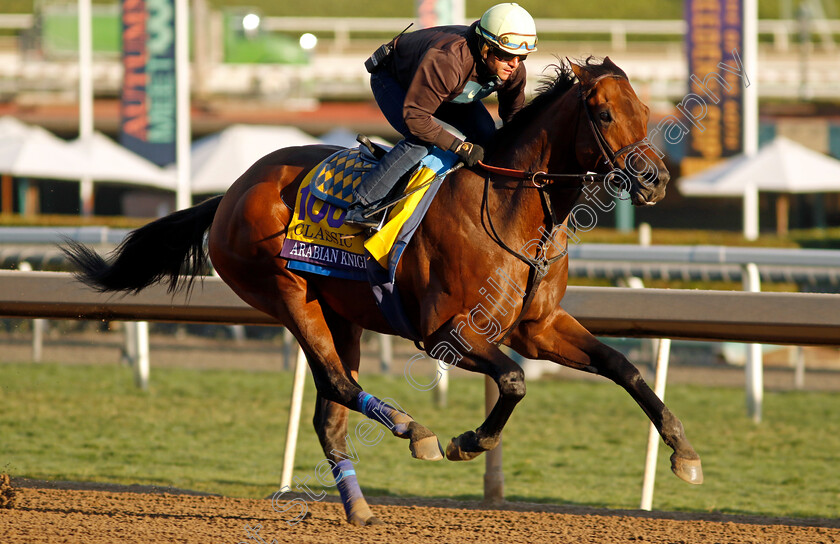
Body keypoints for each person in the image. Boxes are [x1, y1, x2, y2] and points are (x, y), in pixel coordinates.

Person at [344, 3, 538, 227]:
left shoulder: (513, 70)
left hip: (448, 90)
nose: (514, 64)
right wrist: (459, 147)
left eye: (521, 57)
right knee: (421, 140)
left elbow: (514, 120)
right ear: (486, 48)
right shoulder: (449, 60)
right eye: (506, 55)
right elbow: (416, 118)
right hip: (396, 80)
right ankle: (363, 205)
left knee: (486, 133)